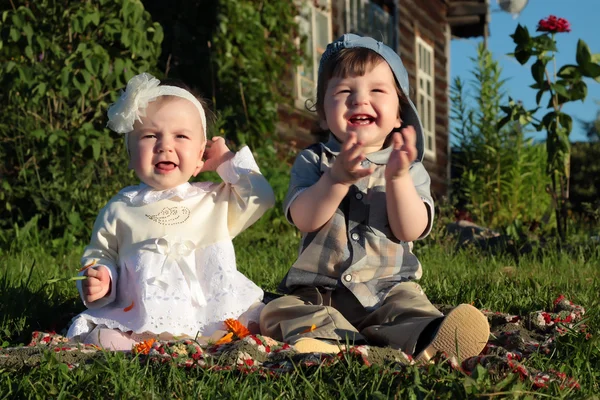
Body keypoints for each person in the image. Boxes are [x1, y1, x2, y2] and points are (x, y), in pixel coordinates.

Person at [259, 34, 490, 363]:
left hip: (387, 290)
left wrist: (397, 179)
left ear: (399, 114)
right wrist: (336, 179)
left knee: (409, 309)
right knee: (278, 310)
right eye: (343, 92)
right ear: (324, 114)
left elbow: (410, 229)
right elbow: (304, 218)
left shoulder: (408, 167)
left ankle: (427, 336)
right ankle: (331, 339)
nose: (359, 100)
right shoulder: (315, 161)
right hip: (319, 293)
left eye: (376, 90)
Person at [67, 73, 275, 350]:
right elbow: (101, 252)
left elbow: (261, 197)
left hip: (210, 312)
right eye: (150, 135)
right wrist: (101, 277)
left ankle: (208, 340)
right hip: (142, 315)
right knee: (102, 338)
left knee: (262, 319)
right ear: (130, 153)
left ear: (201, 152)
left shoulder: (212, 199)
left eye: (181, 136)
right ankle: (153, 346)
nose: (165, 146)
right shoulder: (122, 207)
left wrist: (226, 161)